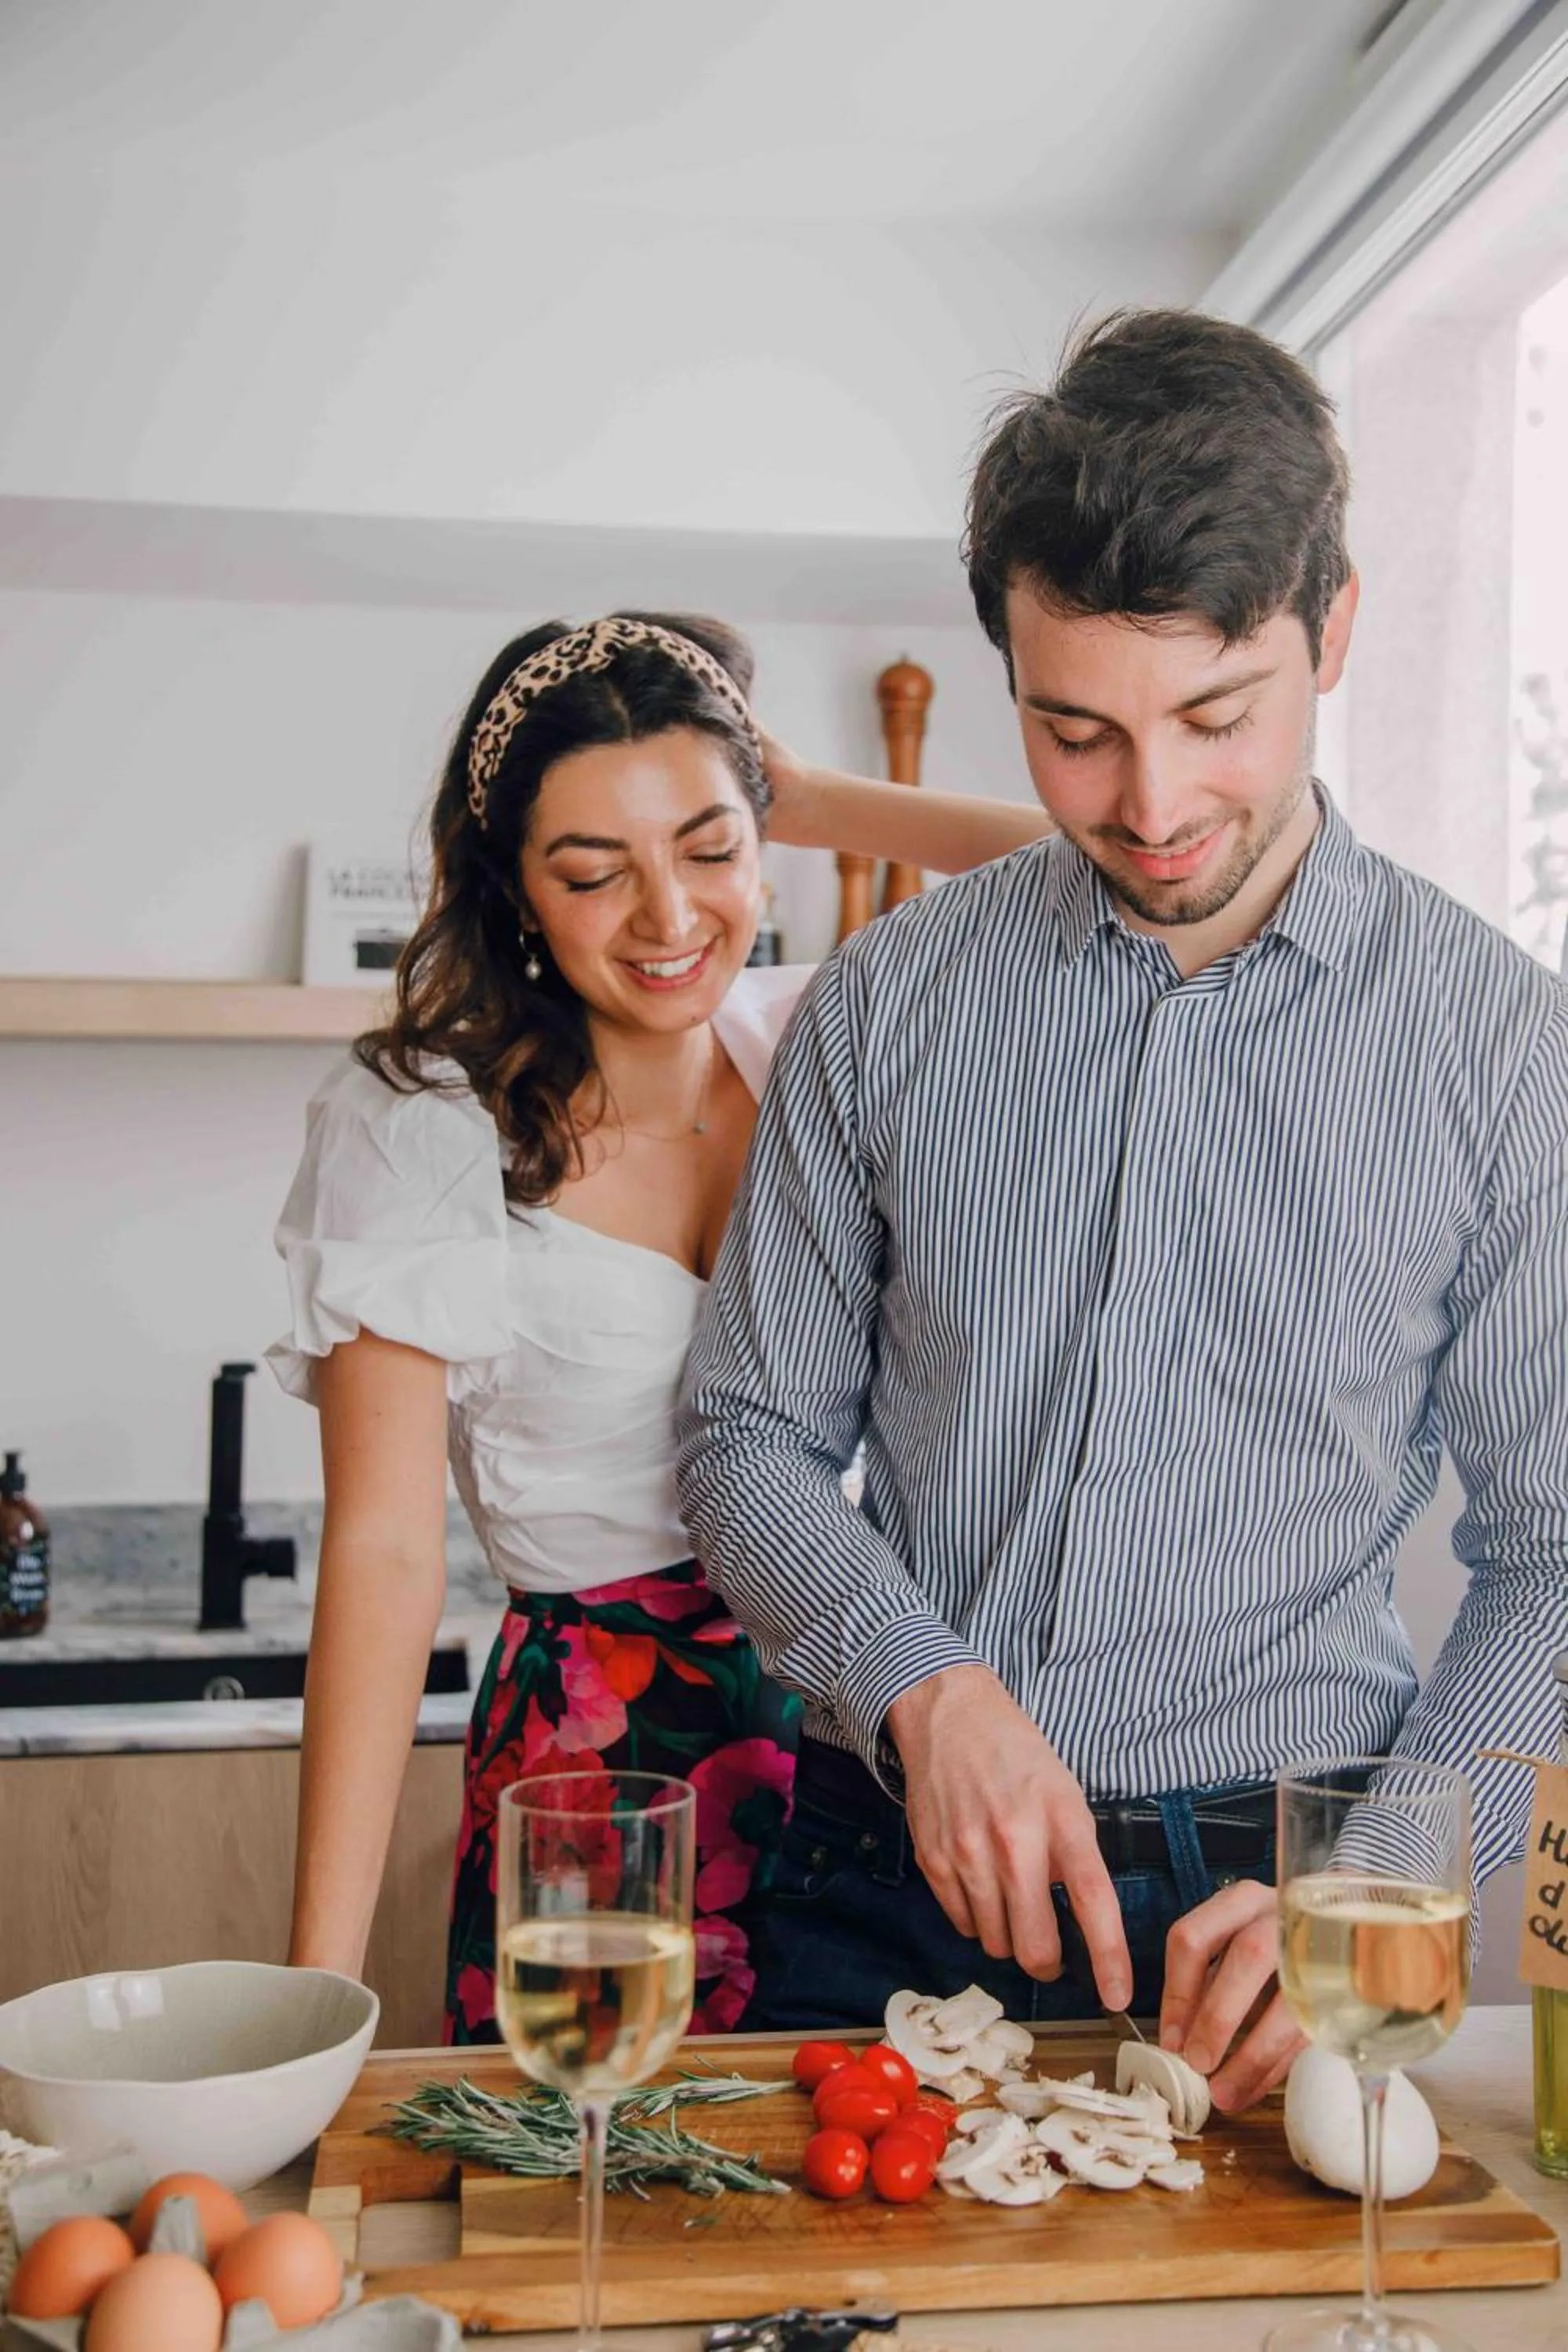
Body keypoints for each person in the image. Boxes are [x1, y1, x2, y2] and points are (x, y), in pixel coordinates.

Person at [677, 311, 1568, 2110]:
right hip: (886, 1859)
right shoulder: (883, 1006)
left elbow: (1554, 1549)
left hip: (1273, 1902)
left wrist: (1384, 1883)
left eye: (1213, 718)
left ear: (1330, 630)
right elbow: (745, 1431)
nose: (1150, 807)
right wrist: (922, 1686)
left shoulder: (1503, 1048)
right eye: (1073, 731)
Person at [267, 609, 1050, 2040]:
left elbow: (1089, 868)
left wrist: (808, 796)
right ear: (511, 886)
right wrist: (319, 1995)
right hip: (598, 1754)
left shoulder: (820, 1032)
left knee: (863, 2176)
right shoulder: (423, 1126)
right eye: (593, 871)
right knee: (598, 2191)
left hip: (861, 1707)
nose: (671, 918)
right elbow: (381, 1560)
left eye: (710, 849)